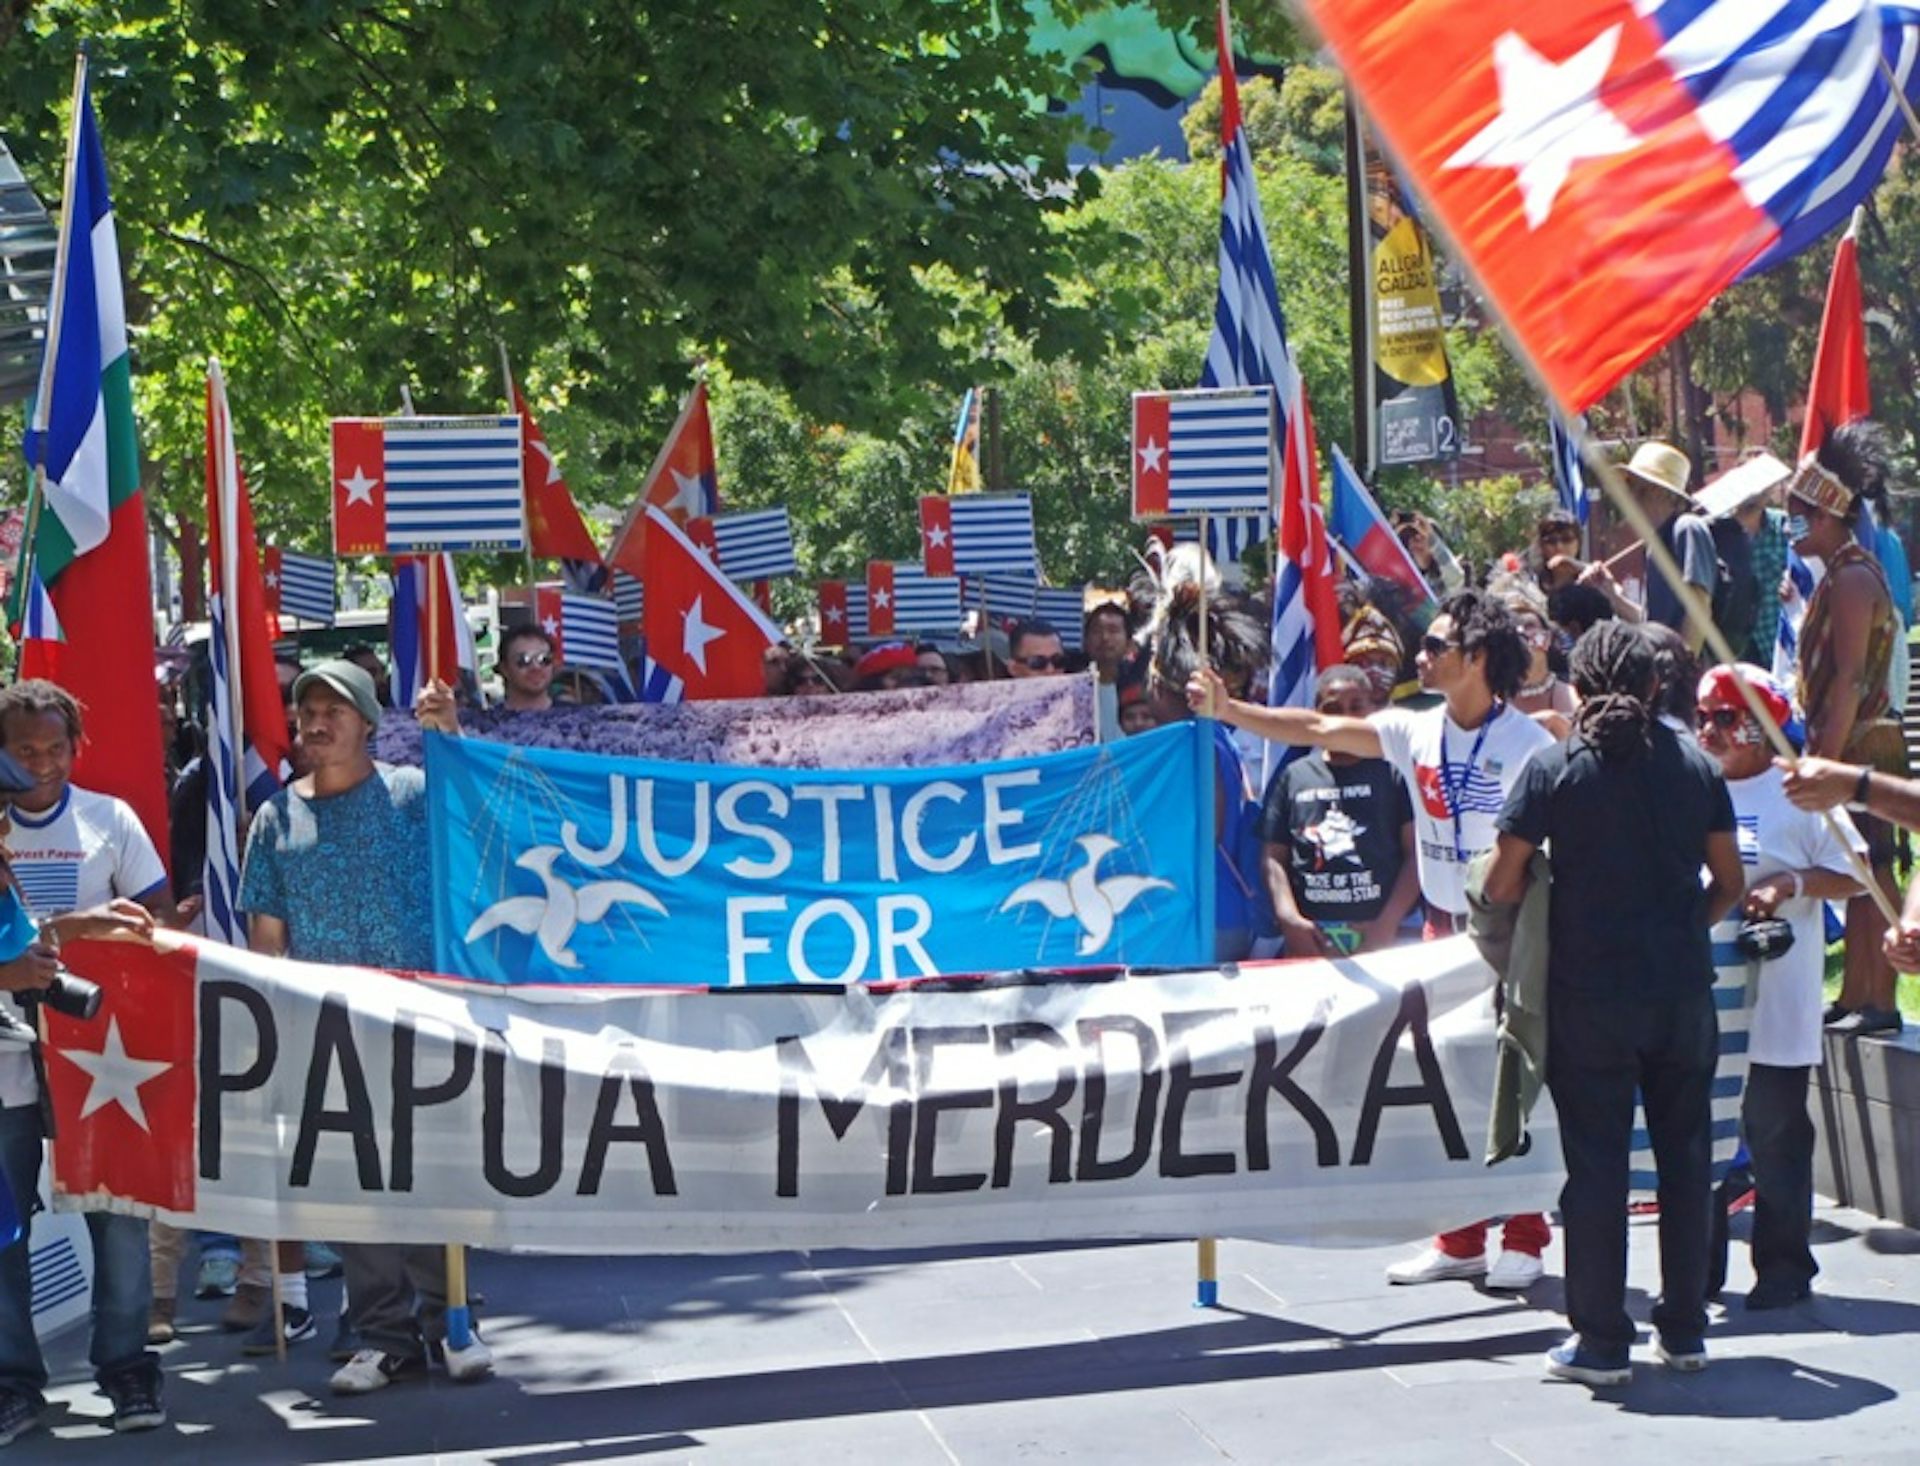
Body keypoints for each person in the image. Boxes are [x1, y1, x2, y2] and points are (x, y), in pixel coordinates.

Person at [1189, 590, 1557, 1288]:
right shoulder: (1415, 729)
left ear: (1478, 658)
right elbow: (1315, 726)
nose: (1420, 657)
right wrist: (1229, 710)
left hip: (1511, 930)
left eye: (1435, 647)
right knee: (1446, 1083)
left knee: (1514, 1080)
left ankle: (1526, 1236)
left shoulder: (1528, 745)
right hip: (1442, 929)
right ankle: (1459, 1238)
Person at [1480, 622, 1745, 1384]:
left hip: (1588, 997)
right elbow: (1729, 882)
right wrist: (1681, 930)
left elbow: (1499, 883)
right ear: (1658, 685)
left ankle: (1601, 1342)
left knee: (1596, 1167)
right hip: (1680, 994)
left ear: (1580, 684)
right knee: (1686, 1160)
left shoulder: (1554, 768)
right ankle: (1685, 1330)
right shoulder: (1697, 768)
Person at [238, 659, 492, 1394]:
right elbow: (266, 936)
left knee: (431, 1173)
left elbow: (477, 823)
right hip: (328, 1030)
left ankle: (452, 1323)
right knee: (356, 1187)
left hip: (421, 1020)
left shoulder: (412, 794)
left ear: (369, 723)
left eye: (334, 711)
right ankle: (382, 1337)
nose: (316, 724)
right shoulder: (276, 818)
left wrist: (450, 736)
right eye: (307, 712)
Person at [0, 680, 178, 1435]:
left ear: (77, 746)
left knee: (119, 1212)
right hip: (7, 1061)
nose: (43, 763)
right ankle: (12, 1380)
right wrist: (69, 931)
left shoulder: (111, 820)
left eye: (56, 747)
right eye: (25, 750)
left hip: (103, 1054)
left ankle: (127, 1367)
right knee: (6, 1225)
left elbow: (156, 922)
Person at [1695, 665, 1864, 1309]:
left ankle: (1785, 1268)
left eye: (1725, 717)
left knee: (1775, 1134)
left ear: (1763, 726)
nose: (1710, 730)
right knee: (1699, 1138)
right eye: (1702, 716)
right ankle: (1696, 1273)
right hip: (1704, 994)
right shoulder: (1692, 785)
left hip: (1778, 995)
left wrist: (1791, 884)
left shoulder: (1800, 792)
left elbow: (1855, 871)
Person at [1786, 424, 1908, 1036]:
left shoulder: (1854, 578)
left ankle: (1878, 998)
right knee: (1857, 871)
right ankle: (1856, 990)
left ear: (1828, 514)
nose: (1790, 525)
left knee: (1872, 868)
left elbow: (1852, 678)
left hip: (1864, 749)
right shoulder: (1838, 574)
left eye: (1798, 513)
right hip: (1849, 746)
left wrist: (1828, 764)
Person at [1259, 666, 1418, 957]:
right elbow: (1273, 857)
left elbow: (1416, 855)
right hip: (1312, 938)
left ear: (1373, 712)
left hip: (1386, 934)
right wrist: (1289, 918)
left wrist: (1387, 923)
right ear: (1316, 714)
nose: (1344, 717)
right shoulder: (1294, 776)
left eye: (1356, 707)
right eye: (1332, 709)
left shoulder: (1394, 773)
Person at [1579, 442, 1717, 652]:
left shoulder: (1687, 528)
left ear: (1656, 491)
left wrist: (1682, 665)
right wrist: (1612, 595)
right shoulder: (1655, 546)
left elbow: (1699, 610)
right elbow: (1649, 623)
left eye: (1633, 487)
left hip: (1691, 669)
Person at [496, 623, 557, 713]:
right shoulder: (485, 720)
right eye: (523, 660)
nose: (536, 667)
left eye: (544, 659)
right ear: (505, 669)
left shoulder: (577, 716)